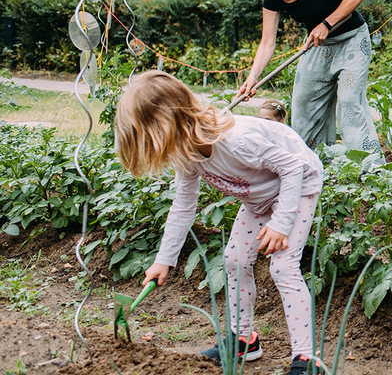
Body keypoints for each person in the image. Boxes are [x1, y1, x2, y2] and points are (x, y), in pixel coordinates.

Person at [118, 71, 323, 375]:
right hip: (259, 198)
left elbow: (293, 167)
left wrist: (281, 223)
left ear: (165, 125)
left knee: (283, 267)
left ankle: (307, 359)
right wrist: (164, 260)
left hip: (299, 185)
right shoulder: (186, 152)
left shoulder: (237, 140)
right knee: (235, 259)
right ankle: (245, 341)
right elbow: (183, 207)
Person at [238, 0, 382, 154]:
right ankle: (312, 164)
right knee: (303, 106)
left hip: (352, 40)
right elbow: (267, 42)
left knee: (348, 105)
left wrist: (327, 23)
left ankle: (370, 168)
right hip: (318, 46)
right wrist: (253, 78)